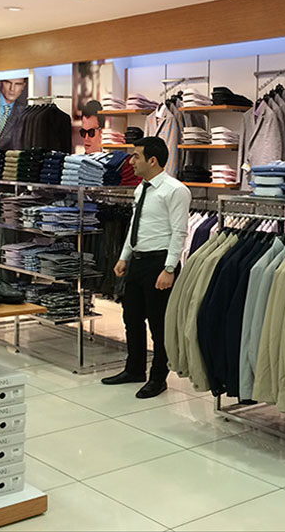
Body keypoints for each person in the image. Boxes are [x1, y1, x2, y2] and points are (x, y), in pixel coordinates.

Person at [102, 136, 191, 398]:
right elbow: (135, 225)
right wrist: (124, 256)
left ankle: (158, 378)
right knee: (131, 318)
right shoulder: (141, 188)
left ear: (152, 160)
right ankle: (134, 369)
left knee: (159, 324)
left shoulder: (176, 190)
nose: (131, 161)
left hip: (159, 263)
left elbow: (179, 232)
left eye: (136, 156)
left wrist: (169, 268)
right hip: (138, 261)